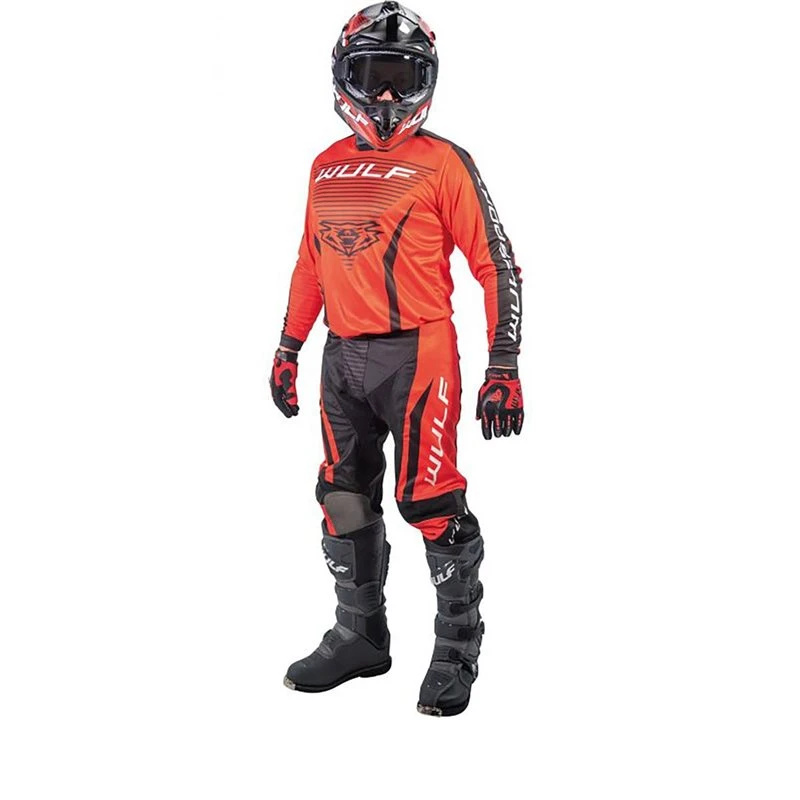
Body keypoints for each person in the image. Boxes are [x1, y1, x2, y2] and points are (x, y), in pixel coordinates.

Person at [270, 1, 524, 717]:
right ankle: (361, 635)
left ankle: (456, 648)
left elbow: (496, 263)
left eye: (401, 78)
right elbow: (311, 263)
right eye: (372, 75)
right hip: (341, 357)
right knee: (341, 495)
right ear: (343, 76)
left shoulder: (444, 163)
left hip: (419, 356)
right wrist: (289, 345)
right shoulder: (324, 167)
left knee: (430, 502)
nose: (385, 95)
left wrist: (503, 364)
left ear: (426, 83)